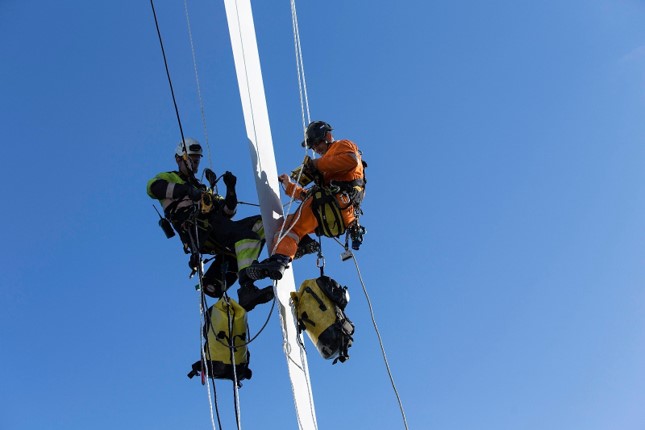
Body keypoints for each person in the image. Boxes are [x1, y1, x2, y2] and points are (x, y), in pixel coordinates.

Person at [147, 137, 274, 311]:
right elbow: (153, 188)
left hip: (218, 226)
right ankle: (247, 289)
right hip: (199, 230)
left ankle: (274, 257)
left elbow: (228, 212)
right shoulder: (170, 177)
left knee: (262, 223)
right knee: (245, 236)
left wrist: (231, 189)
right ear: (179, 158)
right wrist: (186, 190)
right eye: (192, 159)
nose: (195, 163)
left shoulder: (203, 189)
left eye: (197, 160)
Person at [242, 121, 365, 281]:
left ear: (327, 136)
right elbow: (310, 196)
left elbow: (351, 160)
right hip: (336, 213)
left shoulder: (341, 146)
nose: (316, 148)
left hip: (335, 204)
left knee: (290, 228)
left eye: (317, 143)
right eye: (313, 146)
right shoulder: (330, 173)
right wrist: (288, 185)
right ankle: (297, 247)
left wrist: (315, 165)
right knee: (291, 227)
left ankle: (280, 260)